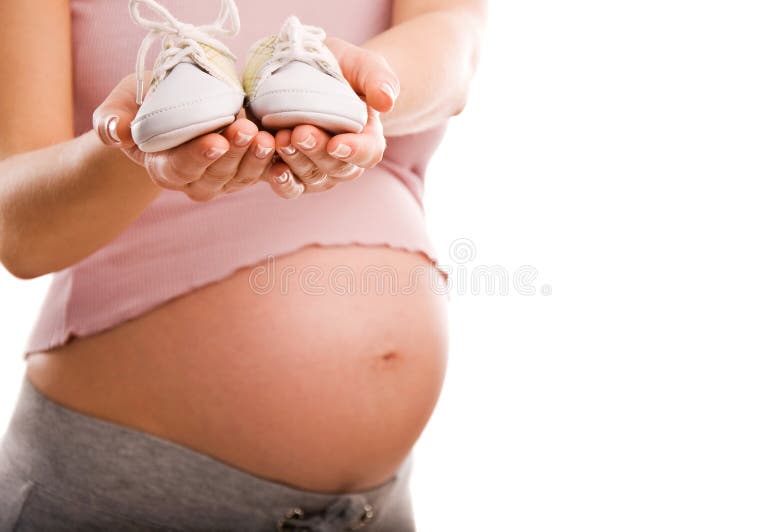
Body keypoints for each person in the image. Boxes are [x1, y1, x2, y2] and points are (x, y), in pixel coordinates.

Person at [0, 0, 485, 529]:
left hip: (375, 510)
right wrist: (149, 139)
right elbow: (21, 234)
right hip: (123, 492)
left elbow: (455, 42)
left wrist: (353, 91)